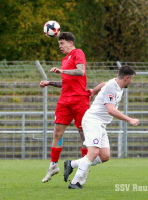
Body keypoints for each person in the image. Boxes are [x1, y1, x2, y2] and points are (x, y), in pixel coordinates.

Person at [64, 65, 140, 189]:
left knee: (104, 156)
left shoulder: (115, 84)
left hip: (100, 124)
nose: (131, 81)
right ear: (127, 78)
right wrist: (130, 120)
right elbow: (111, 110)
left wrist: (93, 91)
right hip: (93, 121)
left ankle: (71, 164)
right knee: (93, 153)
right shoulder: (112, 87)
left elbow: (103, 84)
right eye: (132, 79)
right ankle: (75, 182)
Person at [40, 32, 91, 183]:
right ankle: (53, 165)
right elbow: (67, 83)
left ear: (70, 43)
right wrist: (49, 83)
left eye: (62, 43)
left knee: (83, 135)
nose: (60, 47)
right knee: (57, 133)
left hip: (79, 101)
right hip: (64, 101)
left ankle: (83, 169)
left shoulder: (78, 53)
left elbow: (80, 71)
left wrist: (62, 71)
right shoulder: (64, 60)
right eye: (59, 44)